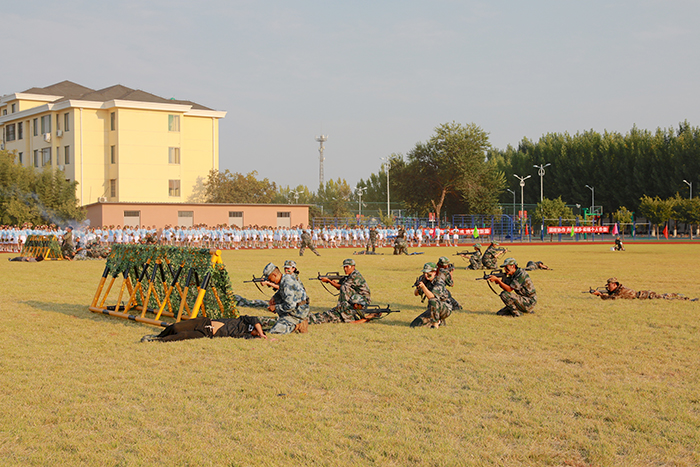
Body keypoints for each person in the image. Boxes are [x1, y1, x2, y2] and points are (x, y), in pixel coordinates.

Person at [309, 258, 373, 324]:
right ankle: (343, 307)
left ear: (353, 267)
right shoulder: (352, 274)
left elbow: (341, 287)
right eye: (344, 267)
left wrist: (329, 281)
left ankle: (344, 306)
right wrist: (334, 282)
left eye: (347, 267)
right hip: (356, 299)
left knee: (344, 287)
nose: (345, 269)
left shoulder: (354, 276)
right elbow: (344, 286)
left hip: (362, 300)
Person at [260, 261, 310, 333]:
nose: (270, 281)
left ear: (274, 275)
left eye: (269, 279)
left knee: (274, 332)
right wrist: (274, 298)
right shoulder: (285, 278)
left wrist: (275, 307)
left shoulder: (287, 282)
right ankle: (286, 320)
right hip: (295, 309)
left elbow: (290, 305)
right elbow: (281, 291)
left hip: (297, 313)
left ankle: (298, 324)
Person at [140, 315, 268, 342]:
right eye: (257, 331)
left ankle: (156, 341)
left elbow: (254, 339)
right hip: (205, 322)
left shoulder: (245, 335)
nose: (256, 333)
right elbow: (255, 319)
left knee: (182, 336)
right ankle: (158, 336)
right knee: (176, 327)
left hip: (207, 333)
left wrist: (263, 338)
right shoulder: (245, 321)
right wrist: (261, 333)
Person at [410, 262, 453, 328]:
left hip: (445, 308)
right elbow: (416, 294)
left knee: (433, 300)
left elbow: (432, 297)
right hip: (433, 309)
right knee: (415, 324)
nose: (426, 275)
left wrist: (423, 287)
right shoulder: (424, 279)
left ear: (434, 272)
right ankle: (439, 321)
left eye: (428, 273)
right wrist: (418, 288)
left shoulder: (439, 281)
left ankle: (435, 324)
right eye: (424, 273)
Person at [592, 277, 696, 300]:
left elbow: (613, 298)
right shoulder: (619, 288)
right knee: (662, 296)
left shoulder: (621, 291)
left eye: (609, 285)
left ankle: (686, 299)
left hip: (645, 296)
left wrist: (600, 295)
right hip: (644, 294)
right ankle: (676, 294)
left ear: (614, 284)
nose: (608, 287)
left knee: (664, 298)